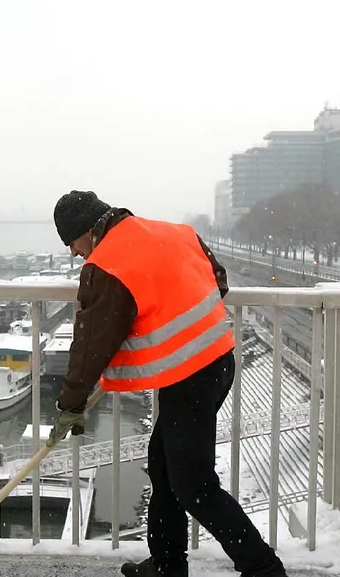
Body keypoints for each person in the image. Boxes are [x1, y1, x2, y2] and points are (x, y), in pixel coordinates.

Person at [46, 190, 286, 577]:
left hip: (190, 378)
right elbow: (218, 281)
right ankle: (167, 564)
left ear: (88, 231)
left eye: (72, 242)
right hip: (217, 361)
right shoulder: (174, 233)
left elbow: (91, 346)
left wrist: (70, 404)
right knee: (163, 468)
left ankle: (264, 569)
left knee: (194, 485)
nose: (74, 253)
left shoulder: (105, 266)